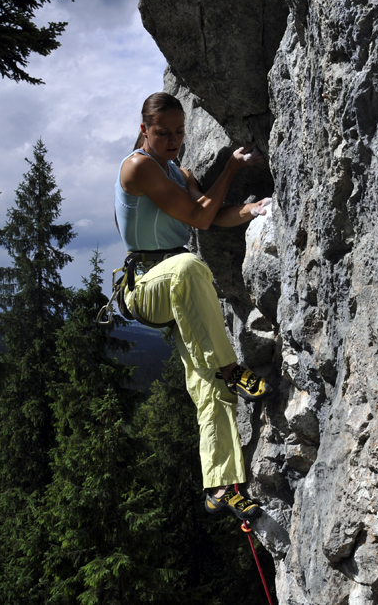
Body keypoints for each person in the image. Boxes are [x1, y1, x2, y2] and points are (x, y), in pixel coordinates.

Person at [114, 91, 273, 521]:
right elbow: (199, 220)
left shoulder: (177, 171)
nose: (173, 140)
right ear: (144, 128)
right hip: (147, 285)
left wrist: (249, 210)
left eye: (179, 132)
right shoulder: (138, 166)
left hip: (177, 284)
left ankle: (220, 487)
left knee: (208, 385)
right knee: (188, 264)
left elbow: (210, 212)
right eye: (163, 132)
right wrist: (233, 167)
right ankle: (229, 367)